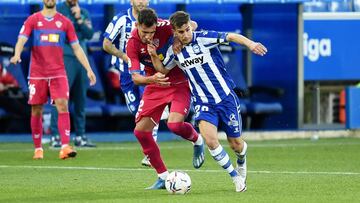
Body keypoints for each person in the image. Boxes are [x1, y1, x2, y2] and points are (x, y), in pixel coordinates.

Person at [149, 11, 267, 192]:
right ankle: (235, 178)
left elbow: (232, 36)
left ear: (191, 26)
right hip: (203, 103)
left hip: (226, 98)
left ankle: (241, 161)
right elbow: (164, 70)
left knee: (236, 144)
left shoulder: (204, 38)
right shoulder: (175, 51)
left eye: (187, 29)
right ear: (175, 32)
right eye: (181, 32)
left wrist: (251, 44)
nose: (186, 34)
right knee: (211, 141)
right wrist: (154, 56)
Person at [126, 8, 205, 189]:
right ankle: (162, 176)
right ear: (137, 25)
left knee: (174, 125)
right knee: (141, 132)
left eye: (152, 32)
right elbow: (135, 78)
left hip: (178, 82)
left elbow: (192, 25)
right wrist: (151, 79)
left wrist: (178, 38)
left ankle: (197, 140)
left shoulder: (164, 26)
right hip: (154, 84)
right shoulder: (132, 43)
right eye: (145, 32)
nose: (149, 36)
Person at [10, 0, 96, 160]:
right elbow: (22, 39)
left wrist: (88, 69)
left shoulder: (65, 22)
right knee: (37, 109)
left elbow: (77, 47)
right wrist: (17, 54)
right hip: (38, 72)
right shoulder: (33, 20)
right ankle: (38, 148)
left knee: (62, 105)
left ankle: (64, 147)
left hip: (58, 72)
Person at [102, 0, 160, 167]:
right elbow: (106, 44)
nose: (141, 1)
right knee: (136, 112)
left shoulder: (154, 20)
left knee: (146, 109)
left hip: (147, 71)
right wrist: (124, 56)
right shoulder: (121, 19)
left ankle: (151, 153)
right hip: (126, 73)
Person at [49, 0, 96, 148]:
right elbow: (53, 34)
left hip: (81, 59)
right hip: (64, 57)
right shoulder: (58, 10)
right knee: (61, 97)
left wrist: (79, 19)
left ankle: (80, 135)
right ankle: (56, 135)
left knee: (81, 98)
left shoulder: (83, 12)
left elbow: (89, 34)